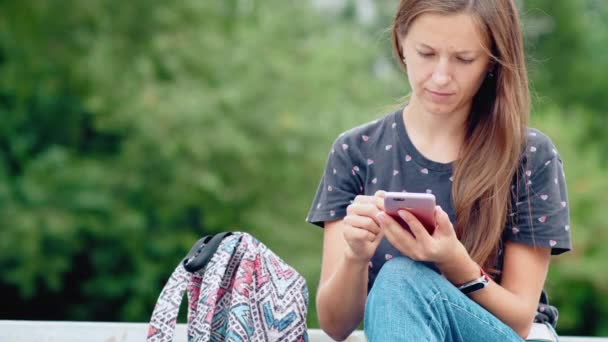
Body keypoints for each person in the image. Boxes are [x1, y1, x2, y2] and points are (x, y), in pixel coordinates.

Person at [305, 0, 572, 341]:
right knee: (397, 280)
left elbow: (520, 322)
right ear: (401, 43)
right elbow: (335, 325)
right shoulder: (355, 151)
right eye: (427, 53)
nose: (441, 76)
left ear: (491, 61)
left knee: (400, 278)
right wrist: (355, 257)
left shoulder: (530, 155)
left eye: (464, 59)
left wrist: (455, 263)